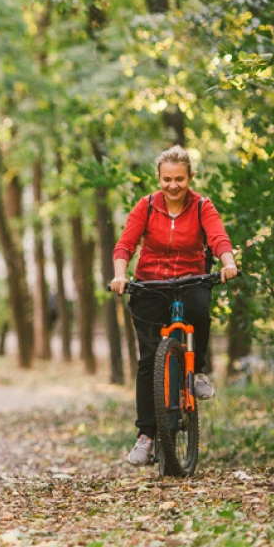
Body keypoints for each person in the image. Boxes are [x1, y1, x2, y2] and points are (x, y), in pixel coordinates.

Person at [110, 146, 238, 466]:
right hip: (150, 284)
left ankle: (197, 372)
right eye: (167, 179)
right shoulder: (146, 206)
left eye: (179, 179)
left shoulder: (202, 206)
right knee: (148, 359)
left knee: (199, 311)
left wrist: (228, 262)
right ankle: (146, 435)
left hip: (190, 280)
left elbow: (218, 238)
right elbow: (125, 245)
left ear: (190, 177)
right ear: (159, 178)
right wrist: (120, 276)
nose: (173, 185)